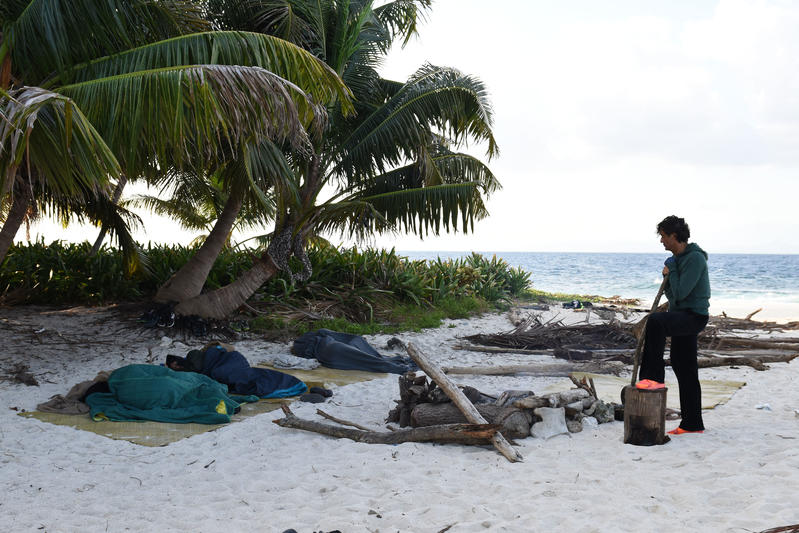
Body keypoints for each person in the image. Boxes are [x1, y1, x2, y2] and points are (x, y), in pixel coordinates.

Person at [636, 215, 711, 435]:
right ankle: (692, 423)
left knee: (656, 322)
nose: (661, 241)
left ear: (674, 236)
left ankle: (652, 379)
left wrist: (672, 269)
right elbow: (675, 298)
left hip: (693, 316)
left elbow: (680, 293)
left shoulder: (695, 259)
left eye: (663, 236)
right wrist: (671, 269)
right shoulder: (678, 260)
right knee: (684, 367)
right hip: (681, 313)